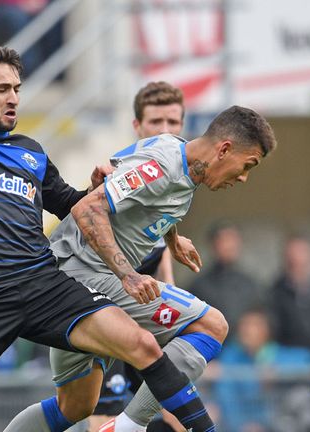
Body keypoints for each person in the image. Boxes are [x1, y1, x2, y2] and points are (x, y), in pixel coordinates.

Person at [0, 2, 217, 430]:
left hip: (44, 285)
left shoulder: (31, 153)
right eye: (2, 89)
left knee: (143, 345)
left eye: (17, 88)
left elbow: (74, 205)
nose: (13, 98)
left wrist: (99, 188)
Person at [6, 105, 277, 432]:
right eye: (248, 165)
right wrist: (128, 274)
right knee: (211, 326)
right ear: (224, 149)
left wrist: (173, 237)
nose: (244, 178)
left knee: (75, 404)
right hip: (83, 278)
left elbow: (147, 201)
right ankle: (128, 427)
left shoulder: (178, 157)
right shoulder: (162, 166)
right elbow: (88, 208)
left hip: (68, 280)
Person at [88, 81, 187, 432]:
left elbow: (157, 250)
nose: (165, 131)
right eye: (156, 122)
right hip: (108, 315)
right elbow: (91, 225)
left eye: (173, 123)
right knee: (105, 418)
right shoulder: (125, 176)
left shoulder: (175, 178)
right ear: (137, 127)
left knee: (181, 408)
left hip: (146, 317)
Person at [214, 308, 310, 431]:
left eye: (254, 325)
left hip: (276, 420)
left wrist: (277, 372)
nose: (246, 330)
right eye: (244, 325)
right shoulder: (231, 356)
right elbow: (227, 396)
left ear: (266, 330)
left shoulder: (276, 354)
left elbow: (309, 361)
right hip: (242, 424)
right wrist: (241, 425)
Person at [188, 221, 260, 335]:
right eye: (225, 240)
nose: (230, 246)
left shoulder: (250, 284)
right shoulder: (199, 286)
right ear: (213, 244)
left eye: (234, 240)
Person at [269, 236, 310, 352]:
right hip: (287, 358)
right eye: (293, 262)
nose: (298, 262)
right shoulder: (274, 295)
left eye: (302, 261)